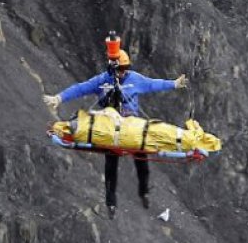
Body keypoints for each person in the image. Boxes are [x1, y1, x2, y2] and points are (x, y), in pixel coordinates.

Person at [43, 48, 188, 219]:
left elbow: (153, 84)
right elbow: (80, 89)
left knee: (142, 158)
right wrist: (59, 98)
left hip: (131, 125)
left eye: (125, 68)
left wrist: (174, 84)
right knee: (111, 164)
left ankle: (144, 192)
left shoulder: (134, 79)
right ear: (112, 68)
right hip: (110, 127)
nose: (123, 72)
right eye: (120, 69)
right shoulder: (103, 81)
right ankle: (111, 203)